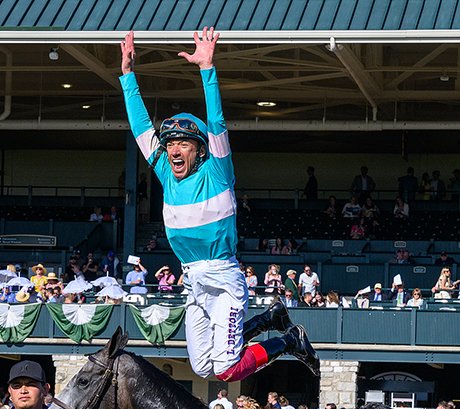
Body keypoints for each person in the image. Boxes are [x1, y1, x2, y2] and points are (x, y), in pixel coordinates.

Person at [119, 28, 317, 382]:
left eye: (183, 143)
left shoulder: (218, 170)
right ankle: (266, 320)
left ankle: (289, 340)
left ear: (200, 149)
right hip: (193, 280)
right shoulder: (165, 170)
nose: (174, 150)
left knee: (226, 369)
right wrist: (128, 75)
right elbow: (139, 128)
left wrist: (207, 68)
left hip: (223, 278)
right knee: (202, 367)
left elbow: (218, 123)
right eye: (170, 145)